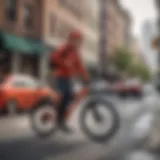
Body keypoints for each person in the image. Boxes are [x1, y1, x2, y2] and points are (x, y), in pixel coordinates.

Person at [50, 30, 90, 133]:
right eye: (77, 40)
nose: (79, 43)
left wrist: (86, 78)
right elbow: (54, 58)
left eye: (80, 41)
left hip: (69, 78)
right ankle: (60, 120)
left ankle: (62, 116)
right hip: (60, 77)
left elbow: (80, 67)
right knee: (66, 96)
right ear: (71, 40)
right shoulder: (64, 49)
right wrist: (64, 63)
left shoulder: (76, 53)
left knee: (73, 96)